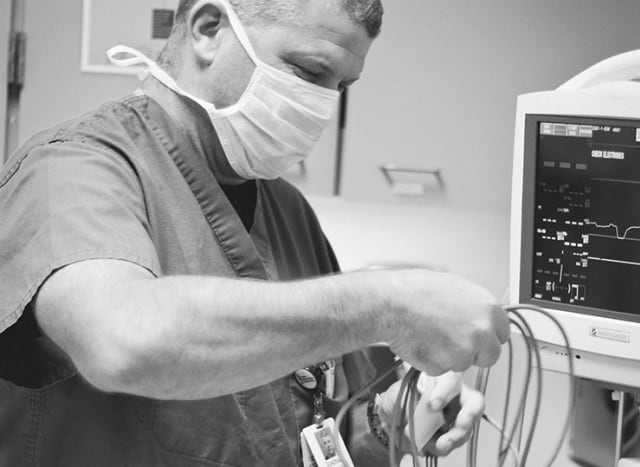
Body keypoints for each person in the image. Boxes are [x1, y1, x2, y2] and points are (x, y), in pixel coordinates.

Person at [0, 0, 510, 465]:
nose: (323, 104)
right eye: (309, 71)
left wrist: (386, 419)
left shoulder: (287, 210)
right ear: (208, 29)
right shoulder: (71, 169)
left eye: (341, 86)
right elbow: (122, 342)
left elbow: (299, 431)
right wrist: (388, 304)